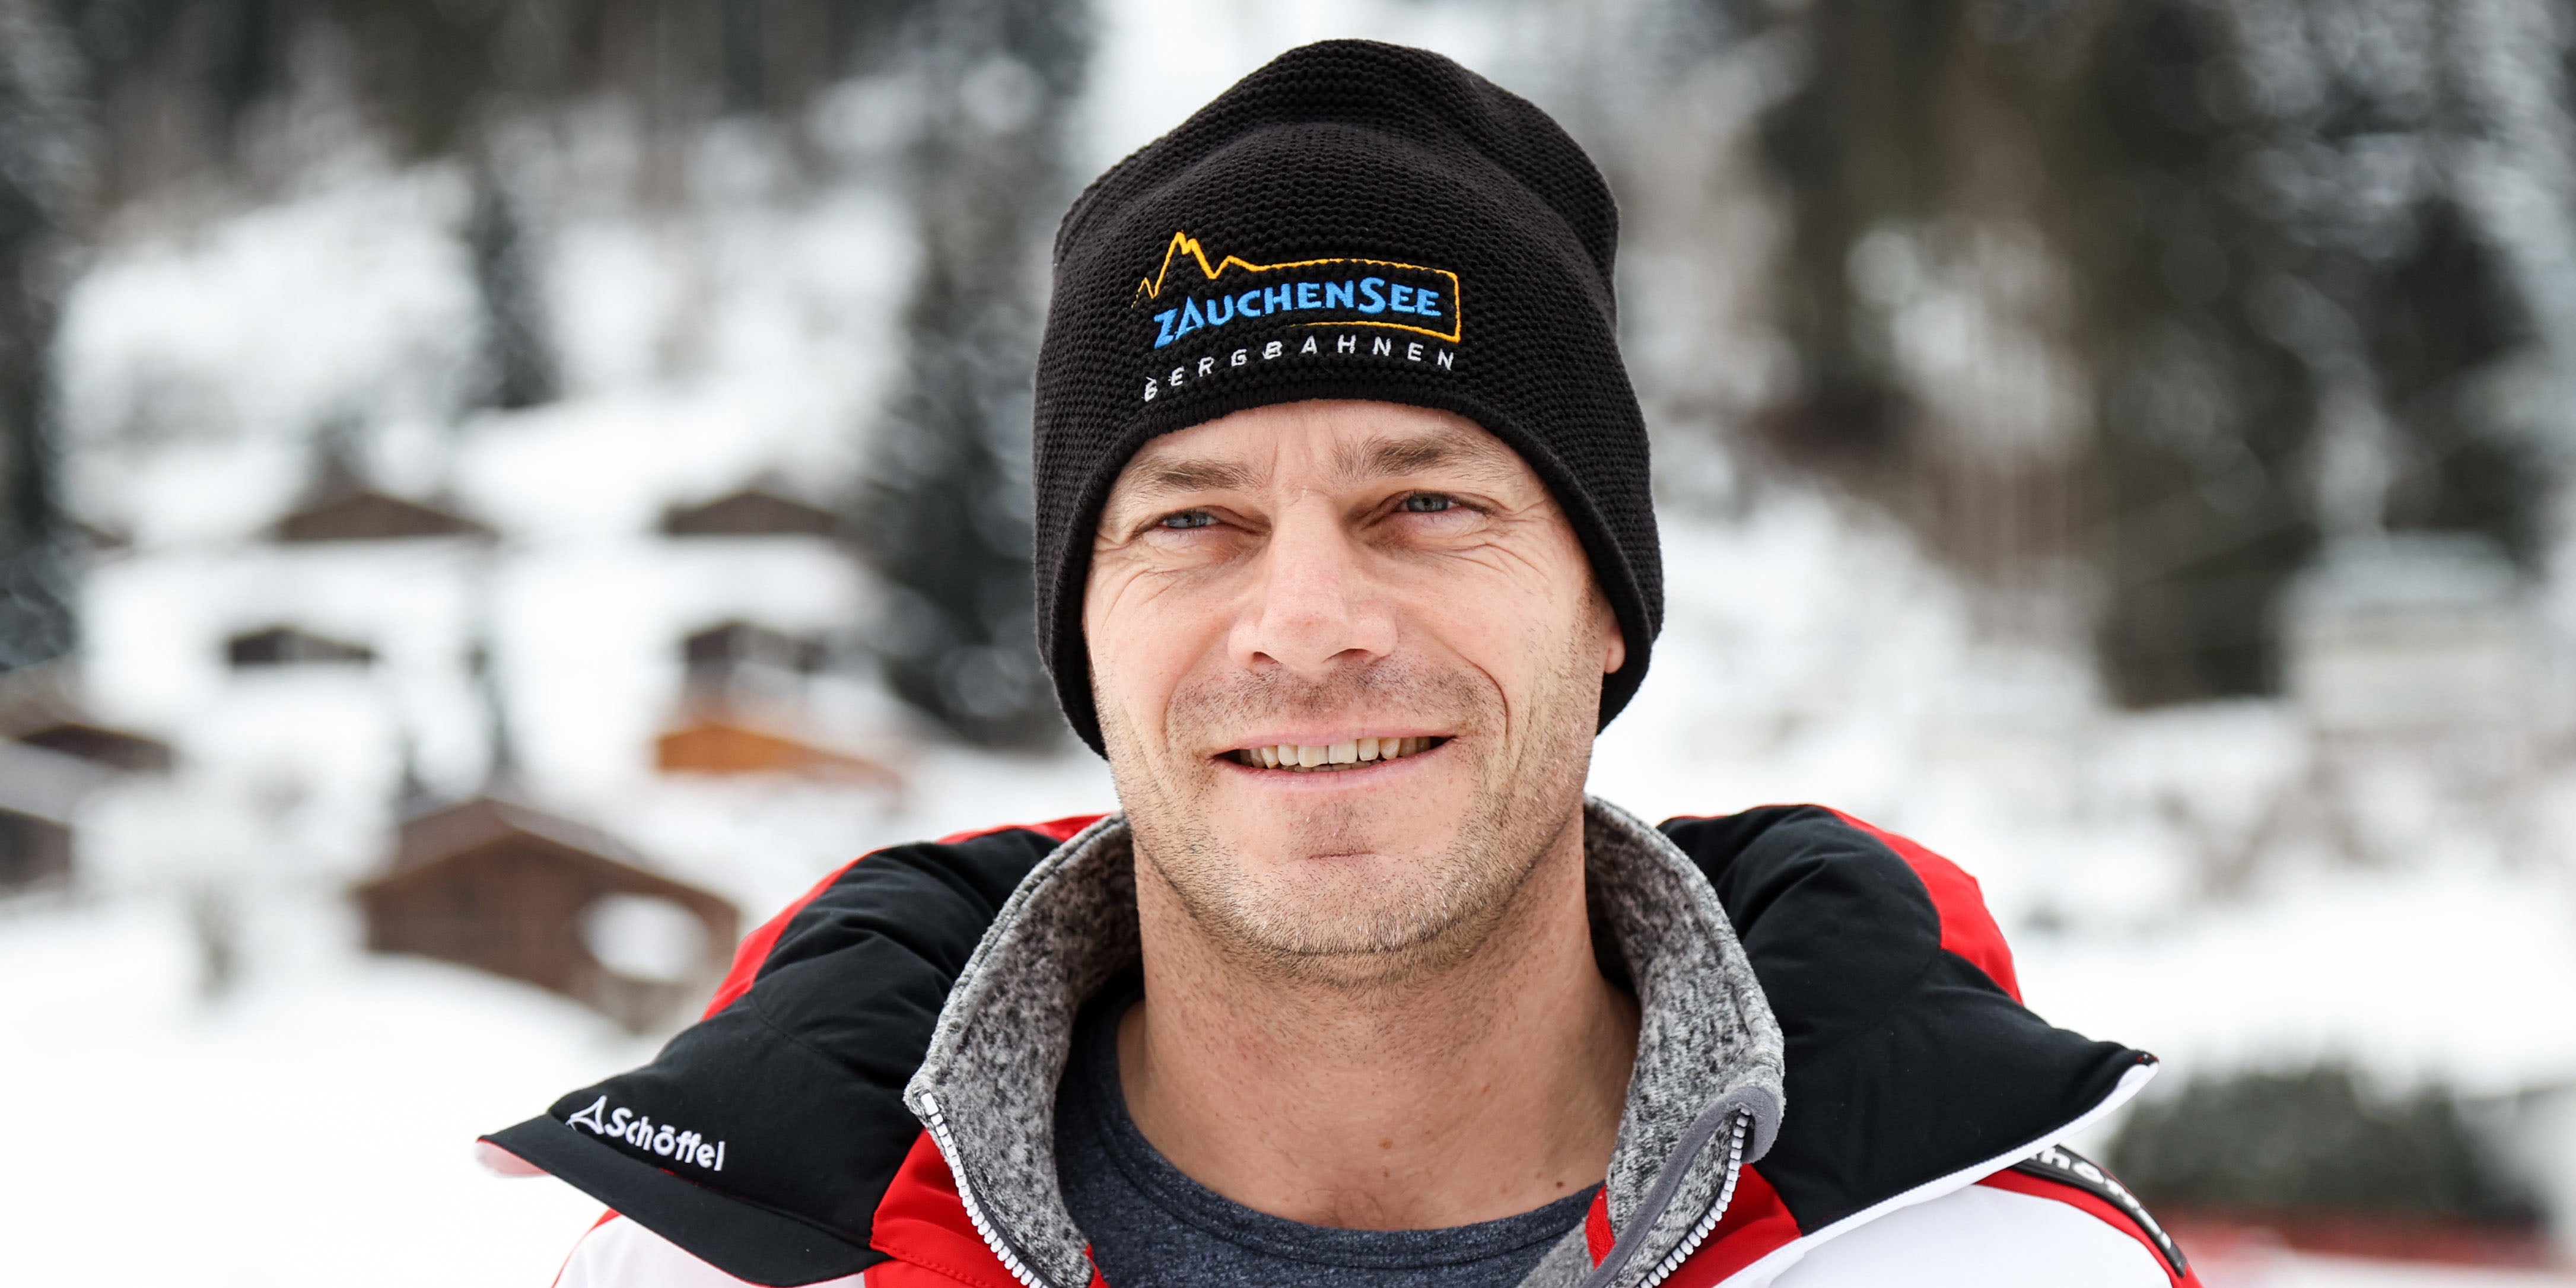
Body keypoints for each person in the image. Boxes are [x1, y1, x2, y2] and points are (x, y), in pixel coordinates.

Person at [479, 40, 2199, 1288]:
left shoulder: (1992, 1265)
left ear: (1607, 601)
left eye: (1425, 502)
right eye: (1194, 520)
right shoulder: (715, 1267)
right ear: (1084, 632)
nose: (1307, 620)